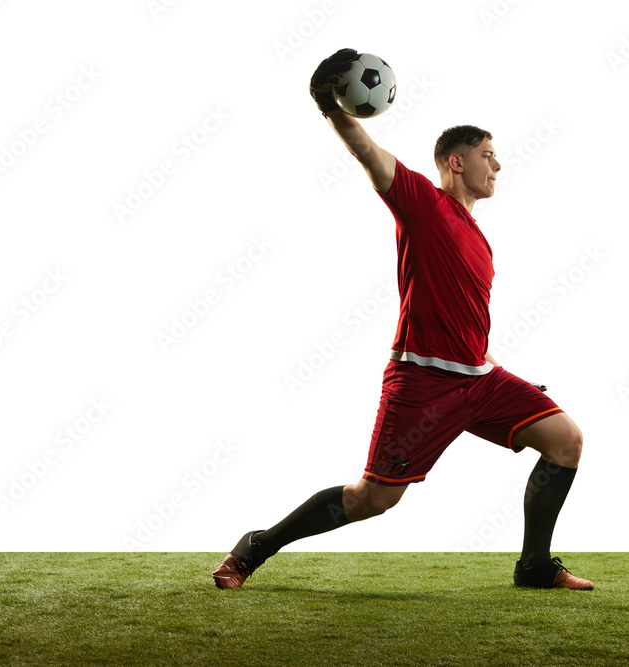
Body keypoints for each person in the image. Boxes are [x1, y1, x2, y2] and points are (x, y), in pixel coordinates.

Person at [212, 49, 592, 591]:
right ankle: (256, 547)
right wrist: (329, 105)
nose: (498, 164)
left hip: (478, 379)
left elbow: (465, 324)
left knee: (566, 440)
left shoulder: (478, 238)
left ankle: (533, 567)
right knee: (374, 500)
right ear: (456, 162)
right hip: (421, 383)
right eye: (488, 153)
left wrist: (506, 377)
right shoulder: (422, 202)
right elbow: (369, 153)